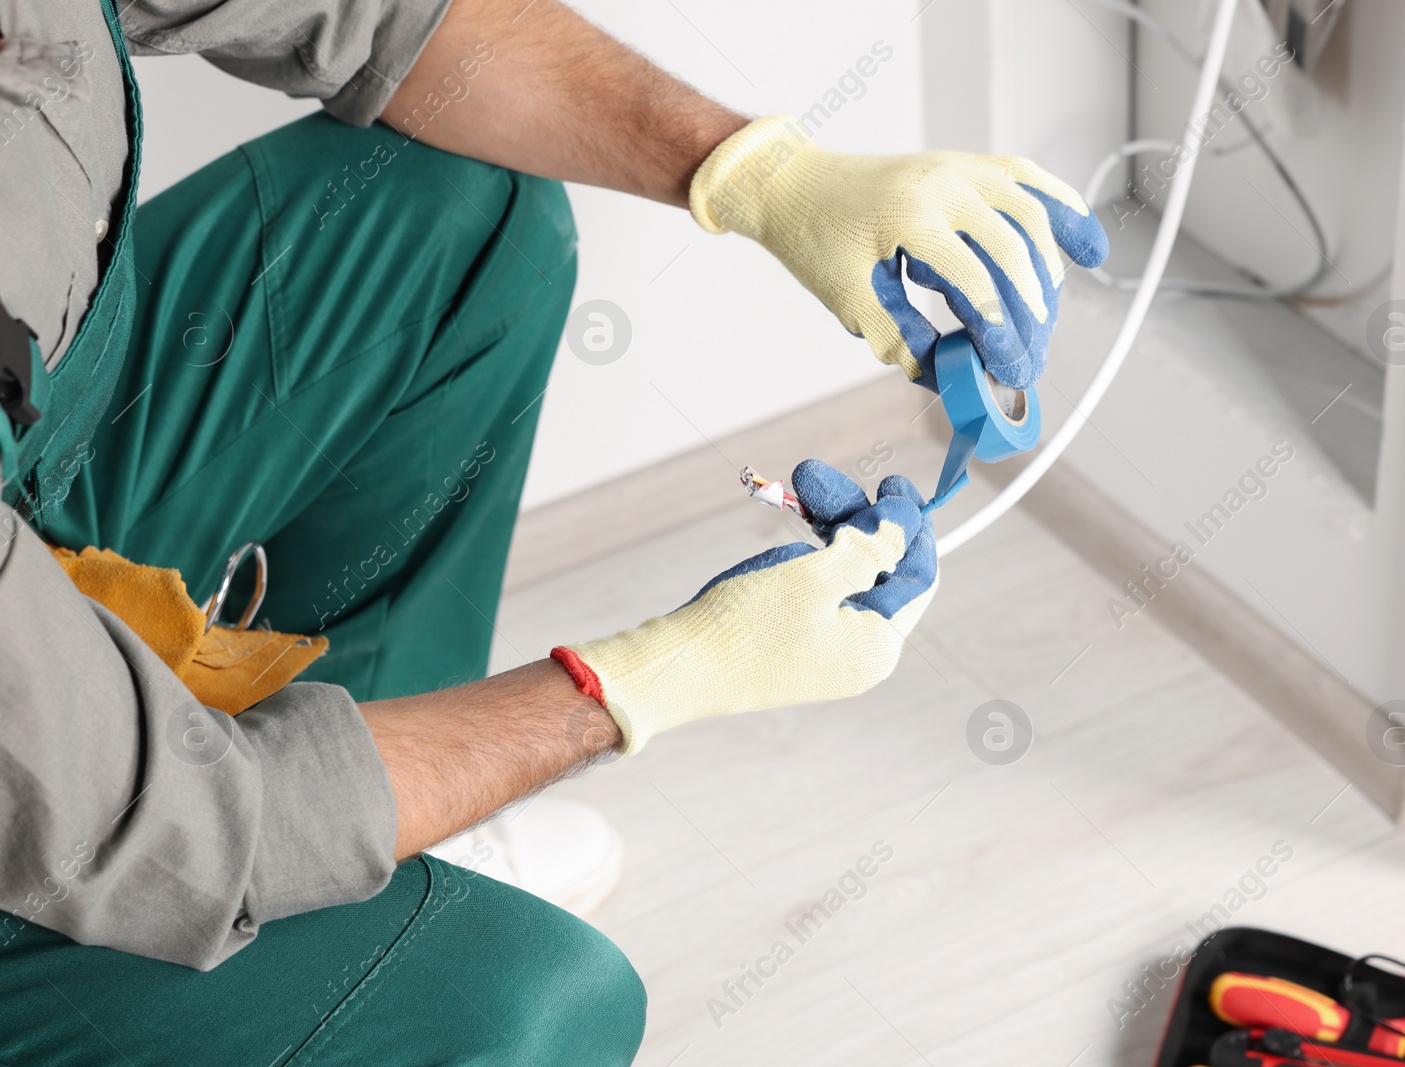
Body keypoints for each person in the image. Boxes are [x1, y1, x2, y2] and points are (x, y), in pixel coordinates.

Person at [0, 0, 1108, 1062]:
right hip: (54, 806)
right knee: (529, 1009)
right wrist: (647, 678)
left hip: (34, 467)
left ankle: (387, 821)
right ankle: (334, 862)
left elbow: (393, 15)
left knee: (459, 219)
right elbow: (158, 822)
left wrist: (762, 174)